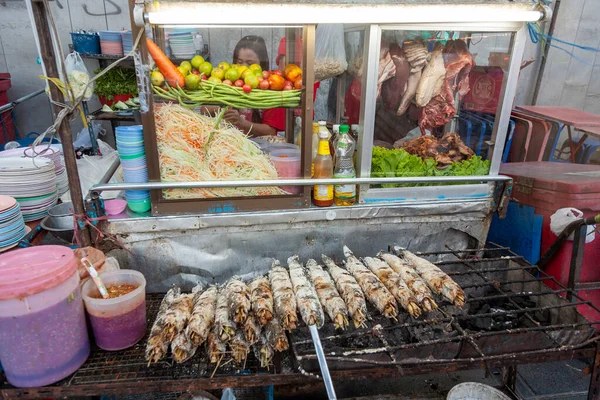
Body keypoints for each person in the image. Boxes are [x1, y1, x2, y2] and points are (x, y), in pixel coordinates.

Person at [222, 35, 284, 137]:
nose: (244, 68)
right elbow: (205, 109)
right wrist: (218, 109)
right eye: (240, 62)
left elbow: (271, 131)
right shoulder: (228, 83)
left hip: (260, 149)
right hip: (230, 145)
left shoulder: (271, 86)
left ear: (262, 63)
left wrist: (241, 122)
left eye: (250, 63)